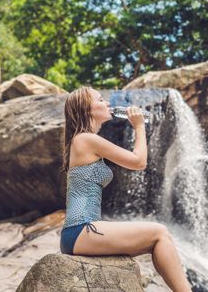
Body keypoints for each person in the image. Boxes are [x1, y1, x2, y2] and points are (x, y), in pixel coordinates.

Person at [60, 86, 192, 292]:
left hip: (81, 232)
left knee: (155, 241)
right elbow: (139, 162)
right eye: (100, 100)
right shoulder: (85, 139)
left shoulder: (83, 141)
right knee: (159, 232)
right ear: (86, 109)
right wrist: (138, 126)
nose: (106, 103)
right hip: (81, 230)